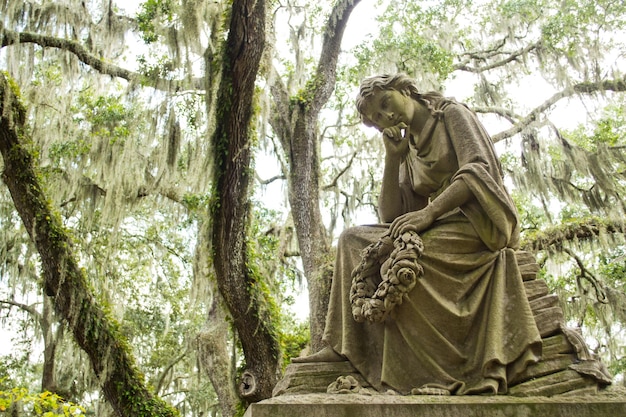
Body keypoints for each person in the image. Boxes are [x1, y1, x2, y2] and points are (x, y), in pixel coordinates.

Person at [295, 74, 542, 395]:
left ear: (404, 89)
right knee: (351, 239)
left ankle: (429, 369)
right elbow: (393, 216)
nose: (386, 116)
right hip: (437, 224)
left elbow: (479, 169)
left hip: (474, 223)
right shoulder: (407, 146)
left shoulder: (451, 114)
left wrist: (429, 213)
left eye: (386, 103)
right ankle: (343, 346)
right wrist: (393, 157)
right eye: (377, 118)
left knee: (397, 262)